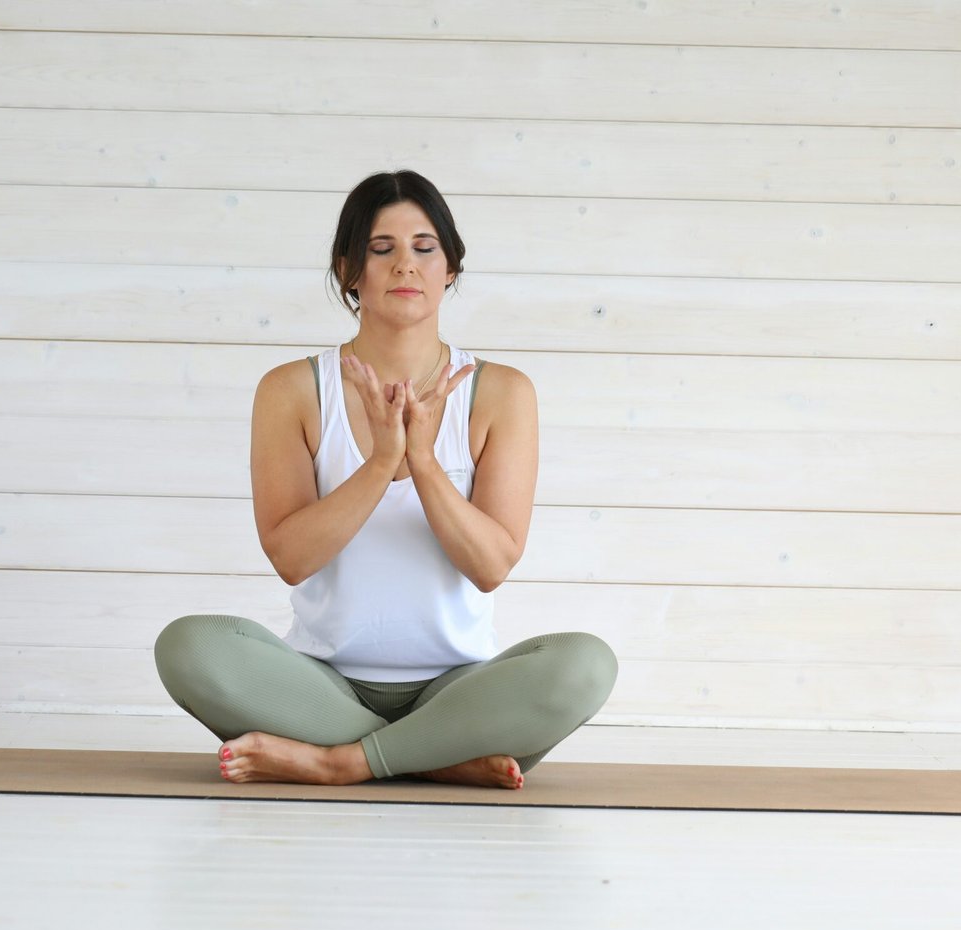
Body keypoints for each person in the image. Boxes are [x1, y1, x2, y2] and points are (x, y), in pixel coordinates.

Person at [154, 169, 617, 790]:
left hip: (460, 688)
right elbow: (291, 558)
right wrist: (379, 463)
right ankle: (435, 758)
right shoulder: (291, 390)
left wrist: (422, 462)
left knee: (584, 665)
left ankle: (337, 761)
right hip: (319, 683)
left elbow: (491, 566)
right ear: (349, 270)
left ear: (450, 268)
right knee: (187, 646)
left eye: (425, 249)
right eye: (382, 249)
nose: (406, 266)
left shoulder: (502, 393)